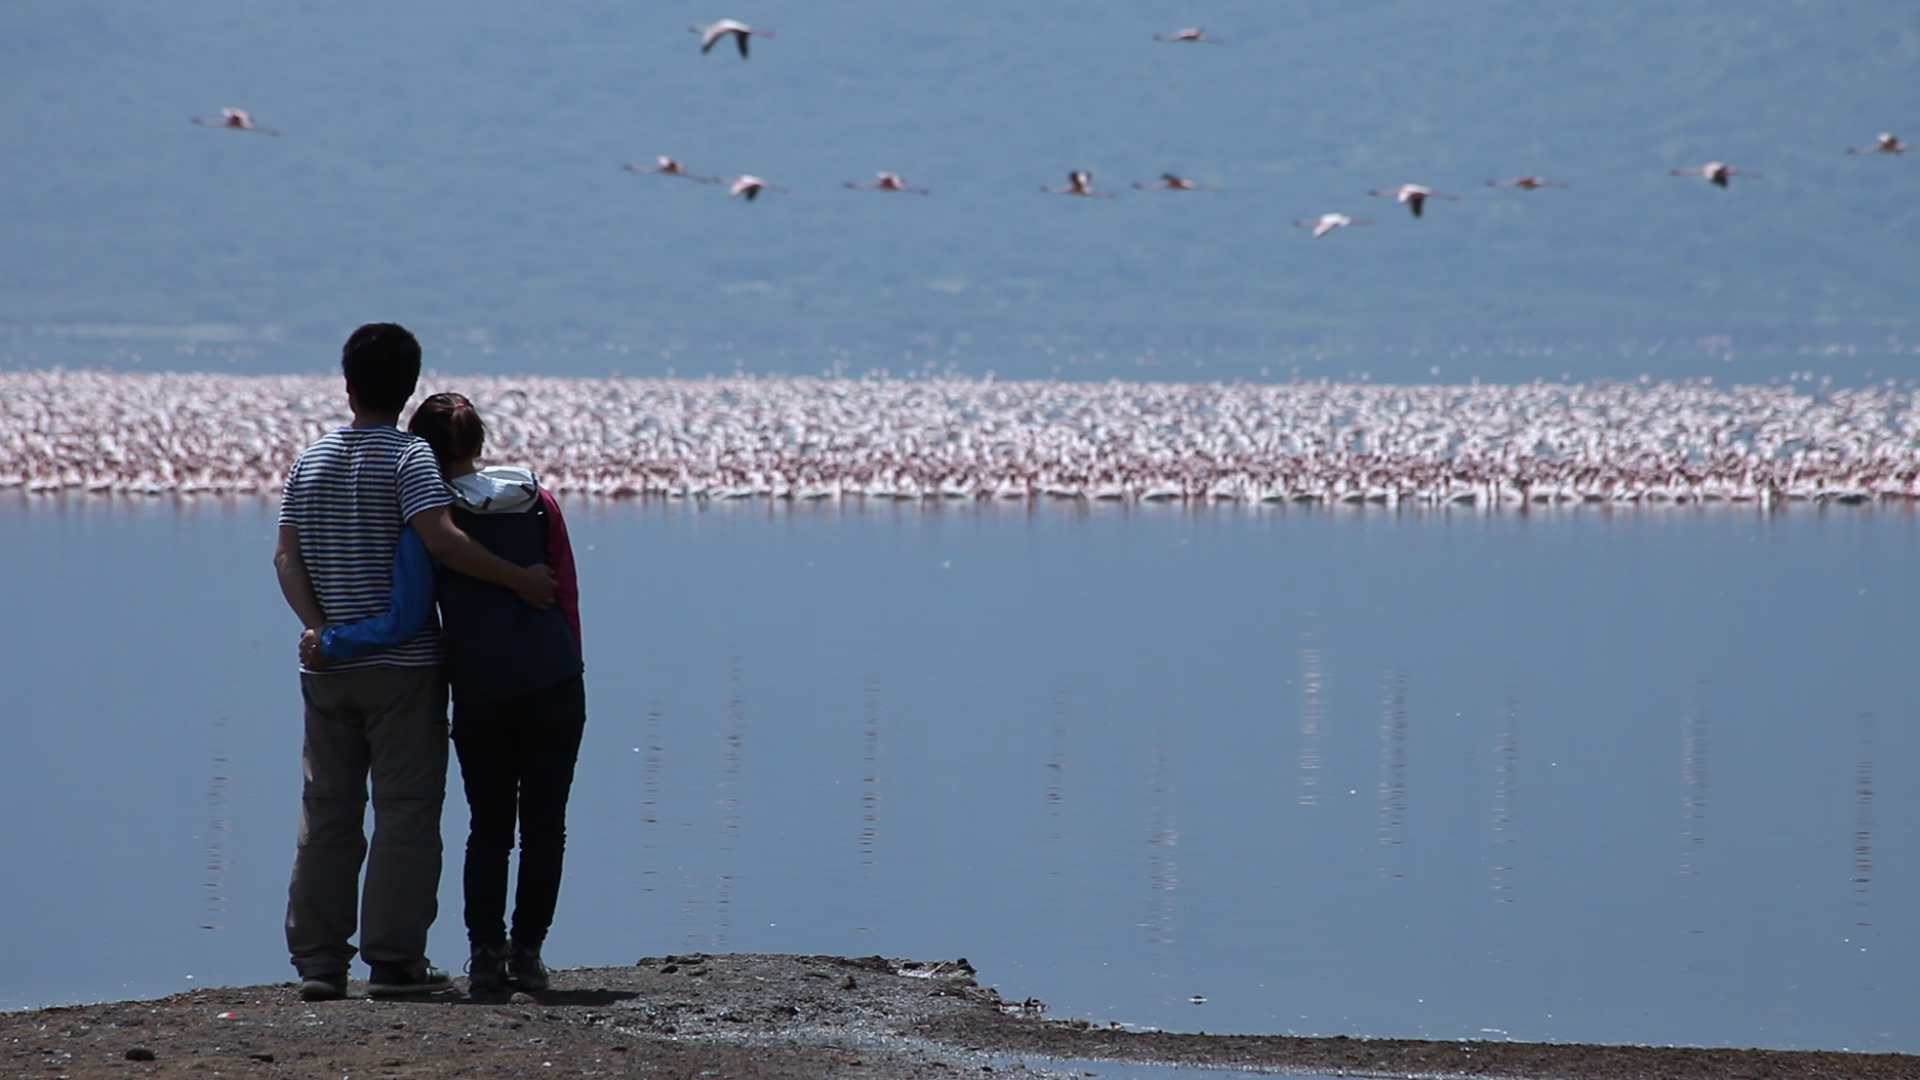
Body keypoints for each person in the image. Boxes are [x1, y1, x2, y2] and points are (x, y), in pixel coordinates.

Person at [274, 324, 556, 1002]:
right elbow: (445, 541)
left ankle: (319, 962)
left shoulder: (308, 461)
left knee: (328, 809)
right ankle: (394, 961)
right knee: (404, 809)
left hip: (327, 668)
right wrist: (520, 579)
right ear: (407, 390)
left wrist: (318, 629)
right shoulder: (408, 460)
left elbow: (285, 555)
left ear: (347, 385)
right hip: (404, 668)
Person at [315, 391, 586, 995]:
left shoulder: (430, 519)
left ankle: (485, 952)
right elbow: (564, 593)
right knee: (546, 826)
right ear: (480, 443)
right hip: (555, 681)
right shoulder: (538, 501)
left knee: (489, 826)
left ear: (422, 449)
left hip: (482, 688)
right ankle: (530, 952)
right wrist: (570, 665)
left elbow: (411, 607)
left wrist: (335, 639)